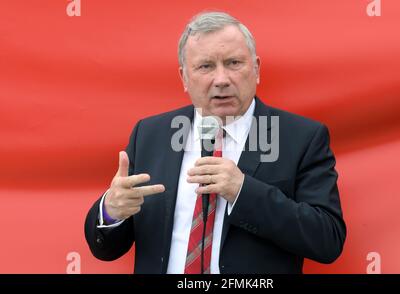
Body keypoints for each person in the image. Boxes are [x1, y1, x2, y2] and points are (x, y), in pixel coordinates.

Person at [84, 11, 346, 274]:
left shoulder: (301, 138)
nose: (221, 80)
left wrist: (243, 191)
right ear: (184, 77)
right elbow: (106, 248)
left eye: (233, 63)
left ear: (256, 69)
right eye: (205, 66)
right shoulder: (150, 134)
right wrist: (111, 211)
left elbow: (327, 240)